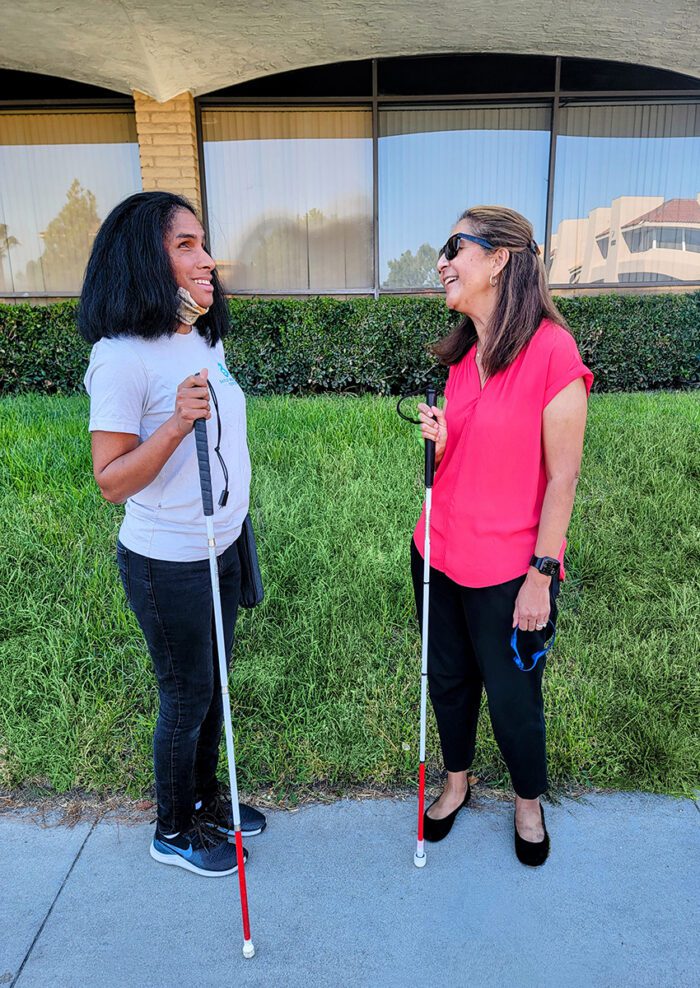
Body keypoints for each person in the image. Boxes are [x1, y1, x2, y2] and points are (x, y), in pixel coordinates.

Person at [79, 191, 266, 878]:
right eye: (186, 244)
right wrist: (175, 423)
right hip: (168, 561)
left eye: (202, 242)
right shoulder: (121, 358)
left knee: (213, 684)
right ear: (144, 259)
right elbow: (111, 480)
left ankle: (208, 801)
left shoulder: (200, 333)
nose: (206, 258)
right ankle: (173, 829)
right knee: (186, 695)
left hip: (222, 540)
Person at [412, 205, 593, 866]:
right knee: (450, 680)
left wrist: (541, 574)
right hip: (436, 551)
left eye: (455, 247)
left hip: (509, 571)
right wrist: (444, 436)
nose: (442, 262)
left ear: (500, 259)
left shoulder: (553, 350)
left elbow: (562, 477)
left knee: (514, 694)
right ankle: (456, 783)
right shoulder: (464, 352)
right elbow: (472, 451)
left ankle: (526, 802)